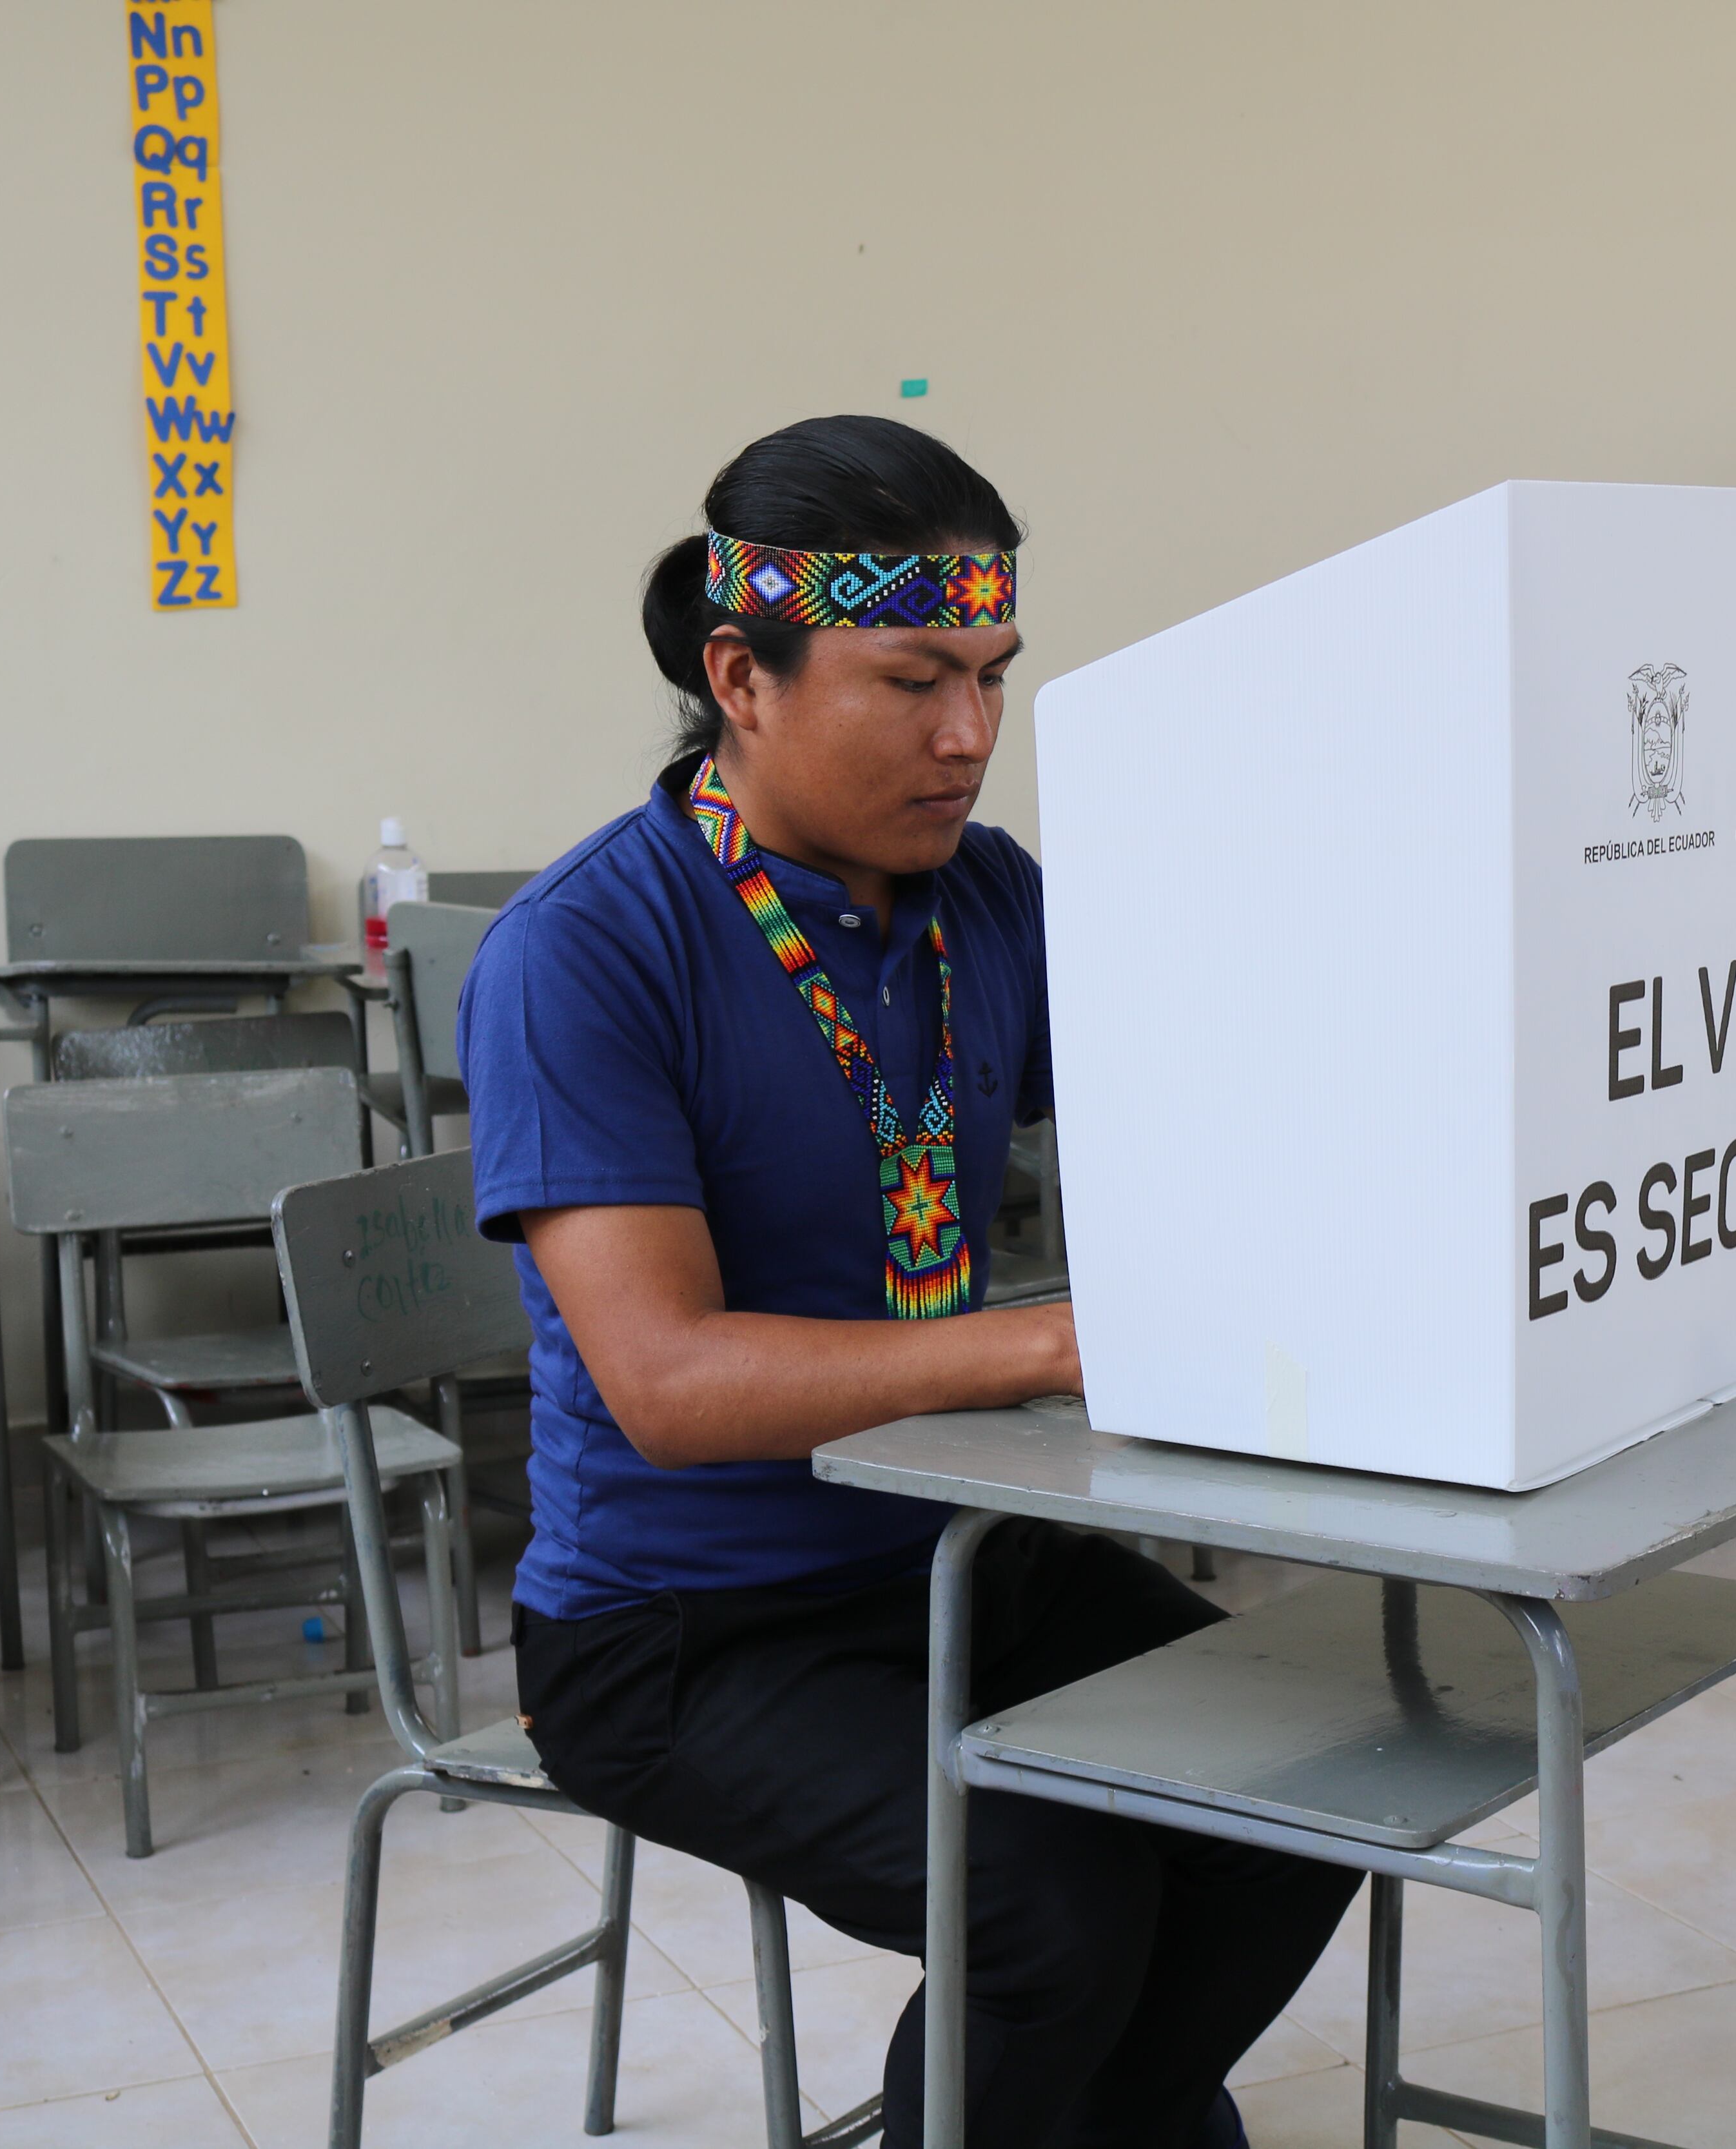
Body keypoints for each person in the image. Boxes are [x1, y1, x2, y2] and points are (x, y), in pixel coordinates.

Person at [460, 415, 1356, 2148]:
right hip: (684, 1629)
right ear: (745, 674)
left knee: (1301, 1787)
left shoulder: (985, 903)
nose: (968, 737)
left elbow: (1226, 1097)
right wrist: (1062, 1342)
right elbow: (671, 1382)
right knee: (1049, 1912)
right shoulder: (587, 950)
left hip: (954, 1550)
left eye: (996, 678)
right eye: (912, 678)